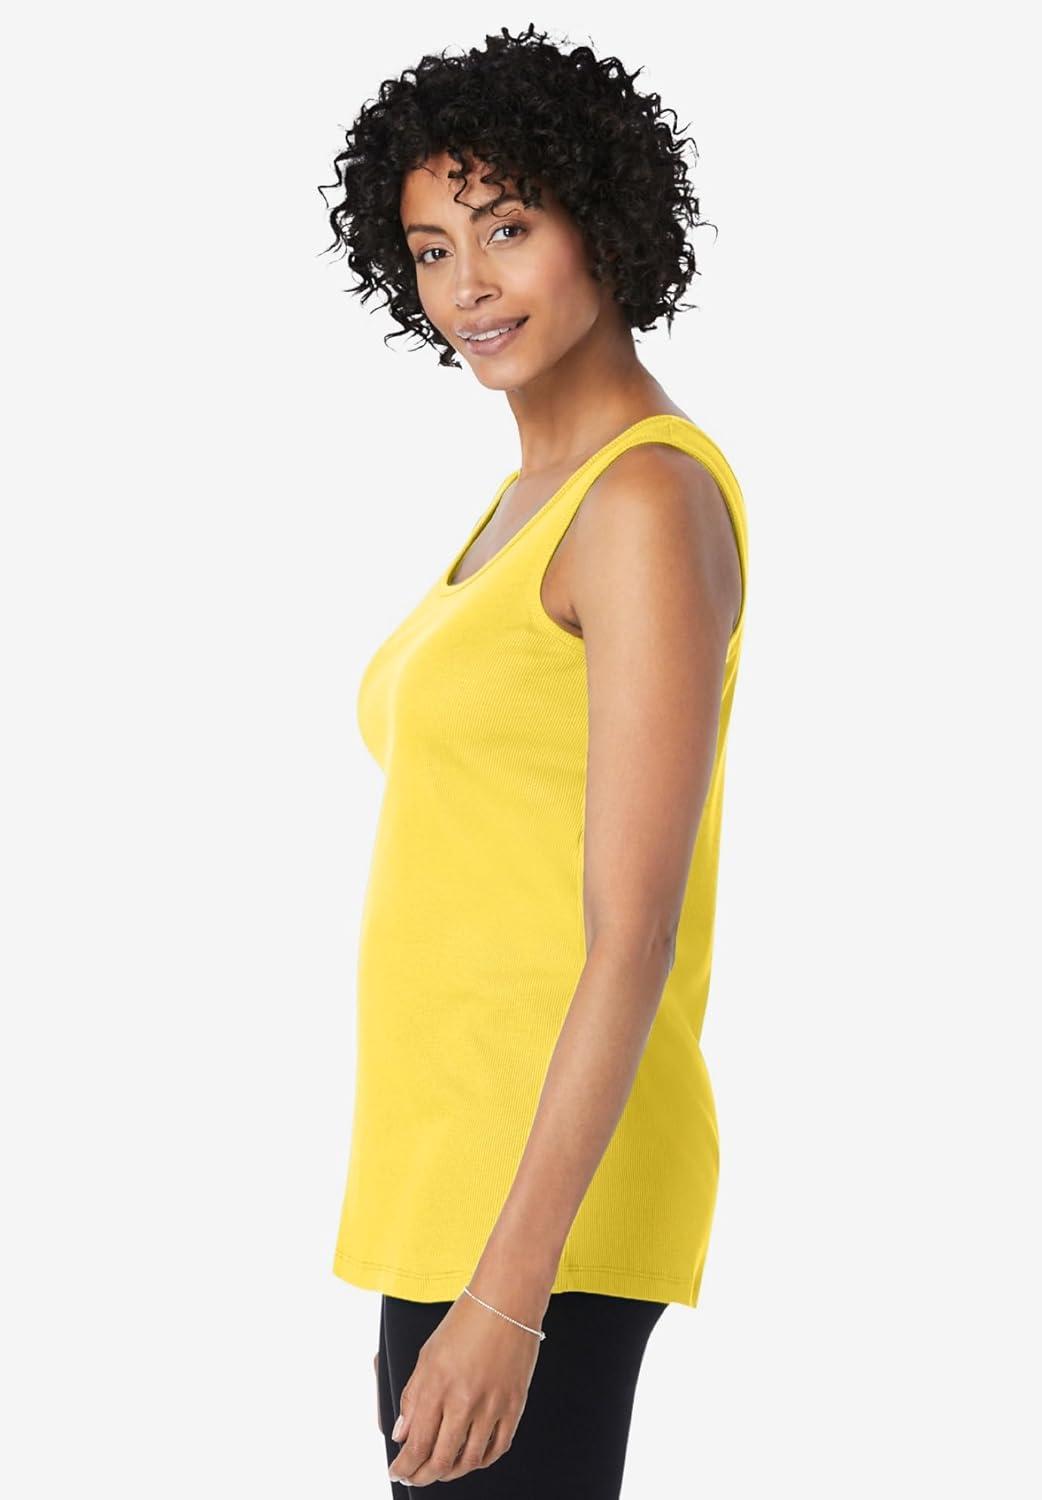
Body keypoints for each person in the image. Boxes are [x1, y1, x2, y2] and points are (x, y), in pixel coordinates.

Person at [320, 24, 749, 1496]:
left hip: (537, 1204)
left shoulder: (640, 503)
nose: (469, 287)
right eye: (432, 249)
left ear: (602, 221)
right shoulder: (535, 496)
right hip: (453, 1170)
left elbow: (632, 934)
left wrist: (511, 1296)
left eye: (508, 228)